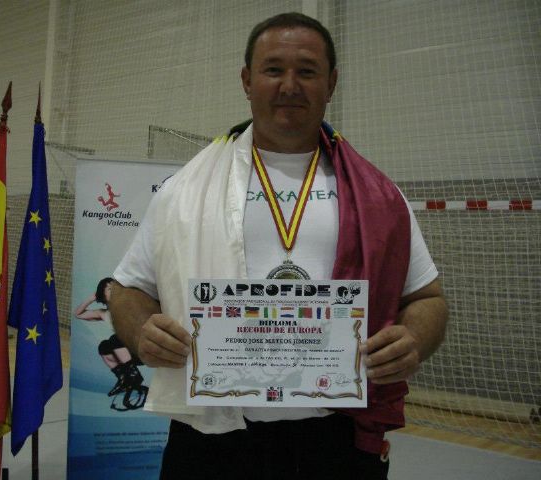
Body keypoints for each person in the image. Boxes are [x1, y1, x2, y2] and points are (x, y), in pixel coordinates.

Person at [110, 12, 447, 479]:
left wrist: (413, 340)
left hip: (336, 436)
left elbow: (427, 298)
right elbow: (127, 288)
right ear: (247, 81)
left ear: (331, 83)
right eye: (273, 70)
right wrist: (141, 331)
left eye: (307, 71)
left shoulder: (379, 196)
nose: (290, 85)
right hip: (211, 436)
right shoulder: (183, 190)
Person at [75, 277, 148, 410]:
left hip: (141, 350)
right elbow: (78, 314)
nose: (114, 290)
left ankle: (134, 375)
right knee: (104, 346)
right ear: (103, 295)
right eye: (109, 289)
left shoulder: (128, 305)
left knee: (116, 338)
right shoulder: (103, 313)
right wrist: (92, 298)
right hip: (126, 353)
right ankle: (123, 378)